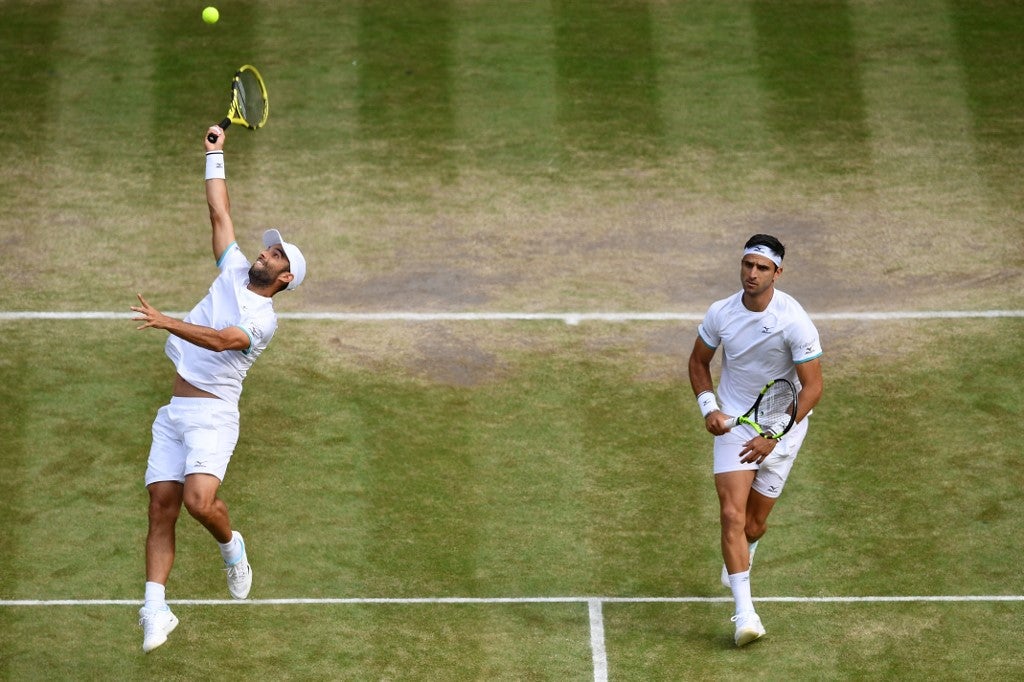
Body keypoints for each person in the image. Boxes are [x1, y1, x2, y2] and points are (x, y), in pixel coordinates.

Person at [130, 123, 307, 653]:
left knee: (199, 504)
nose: (265, 253)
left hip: (213, 417)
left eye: (276, 257)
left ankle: (233, 548)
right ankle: (155, 608)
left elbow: (218, 340)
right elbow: (220, 213)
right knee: (162, 505)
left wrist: (167, 322)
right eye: (268, 249)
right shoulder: (233, 269)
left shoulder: (264, 321)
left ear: (285, 280)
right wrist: (215, 155)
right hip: (175, 411)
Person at [687, 234, 823, 647]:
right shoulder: (721, 313)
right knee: (731, 515)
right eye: (748, 265)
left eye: (762, 268)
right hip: (736, 424)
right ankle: (745, 613)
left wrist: (773, 434)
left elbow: (813, 387)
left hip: (784, 425)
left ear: (777, 273)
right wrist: (709, 407)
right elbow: (698, 361)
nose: (752, 273)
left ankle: (744, 554)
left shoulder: (794, 320)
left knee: (753, 524)